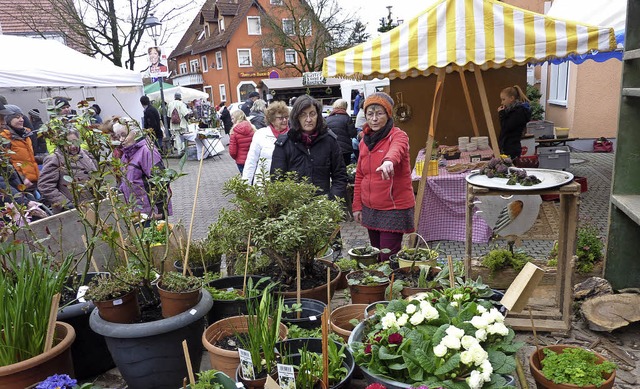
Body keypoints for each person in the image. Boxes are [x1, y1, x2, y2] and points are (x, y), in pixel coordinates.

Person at [352, 92, 415, 262]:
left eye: (379, 113)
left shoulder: (398, 135)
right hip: (370, 208)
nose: (374, 119)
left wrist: (389, 162)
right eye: (370, 114)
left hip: (392, 208)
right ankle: (380, 287)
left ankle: (392, 286)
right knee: (376, 255)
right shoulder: (365, 141)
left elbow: (397, 149)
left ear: (388, 114)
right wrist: (357, 206)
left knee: (387, 257)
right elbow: (360, 175)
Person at [271, 95, 347, 200]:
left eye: (312, 114)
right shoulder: (285, 143)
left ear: (318, 116)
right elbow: (277, 179)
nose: (308, 119)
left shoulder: (329, 141)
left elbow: (340, 175)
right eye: (303, 115)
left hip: (325, 207)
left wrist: (332, 200)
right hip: (294, 209)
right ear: (296, 117)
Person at [112, 119, 172, 220]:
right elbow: (127, 181)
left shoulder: (147, 151)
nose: (121, 140)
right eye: (118, 137)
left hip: (150, 214)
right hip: (136, 213)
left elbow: (160, 181)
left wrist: (160, 212)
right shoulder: (126, 155)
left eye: (124, 135)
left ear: (135, 133)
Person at [39, 129, 98, 213]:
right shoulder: (55, 159)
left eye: (75, 142)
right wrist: (66, 204)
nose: (73, 146)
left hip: (93, 205)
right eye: (67, 143)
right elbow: (45, 186)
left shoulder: (86, 154)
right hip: (72, 211)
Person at [242, 101, 289, 185]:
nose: (285, 120)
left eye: (286, 117)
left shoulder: (292, 135)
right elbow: (251, 161)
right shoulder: (260, 134)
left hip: (286, 187)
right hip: (263, 185)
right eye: (281, 118)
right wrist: (245, 186)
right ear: (272, 119)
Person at [1, 110, 39, 193]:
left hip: (34, 180)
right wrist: (22, 179)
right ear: (8, 120)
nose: (22, 120)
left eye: (22, 117)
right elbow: (8, 163)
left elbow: (29, 158)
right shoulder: (5, 138)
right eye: (17, 117)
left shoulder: (26, 135)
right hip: (22, 183)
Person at [498, 85, 531, 160]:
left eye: (503, 99)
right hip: (508, 146)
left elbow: (506, 127)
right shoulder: (512, 111)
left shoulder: (518, 112)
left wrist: (501, 114)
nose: (502, 102)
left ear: (511, 98)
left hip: (511, 148)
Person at [325, 99, 357, 167]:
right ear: (345, 107)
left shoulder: (328, 119)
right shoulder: (347, 118)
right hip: (345, 150)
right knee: (345, 168)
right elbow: (353, 134)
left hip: (331, 148)